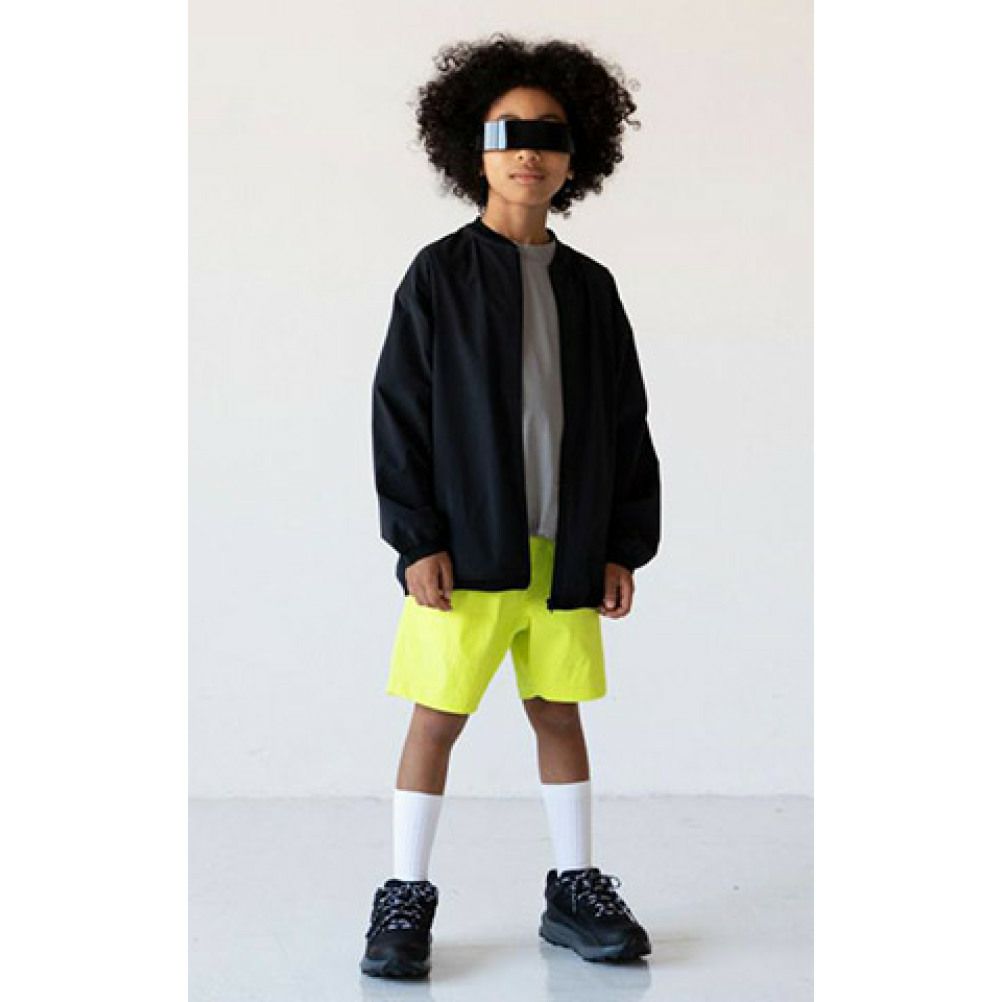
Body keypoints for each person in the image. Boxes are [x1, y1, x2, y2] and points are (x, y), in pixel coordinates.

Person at [361, 34, 661, 979]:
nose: (528, 150)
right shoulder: (439, 275)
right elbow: (399, 413)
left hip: (565, 551)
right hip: (467, 549)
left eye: (549, 134)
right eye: (506, 133)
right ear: (474, 151)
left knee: (558, 713)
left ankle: (573, 886)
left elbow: (626, 418)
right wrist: (417, 539)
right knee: (436, 718)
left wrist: (622, 543)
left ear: (577, 157)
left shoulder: (592, 288)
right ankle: (404, 895)